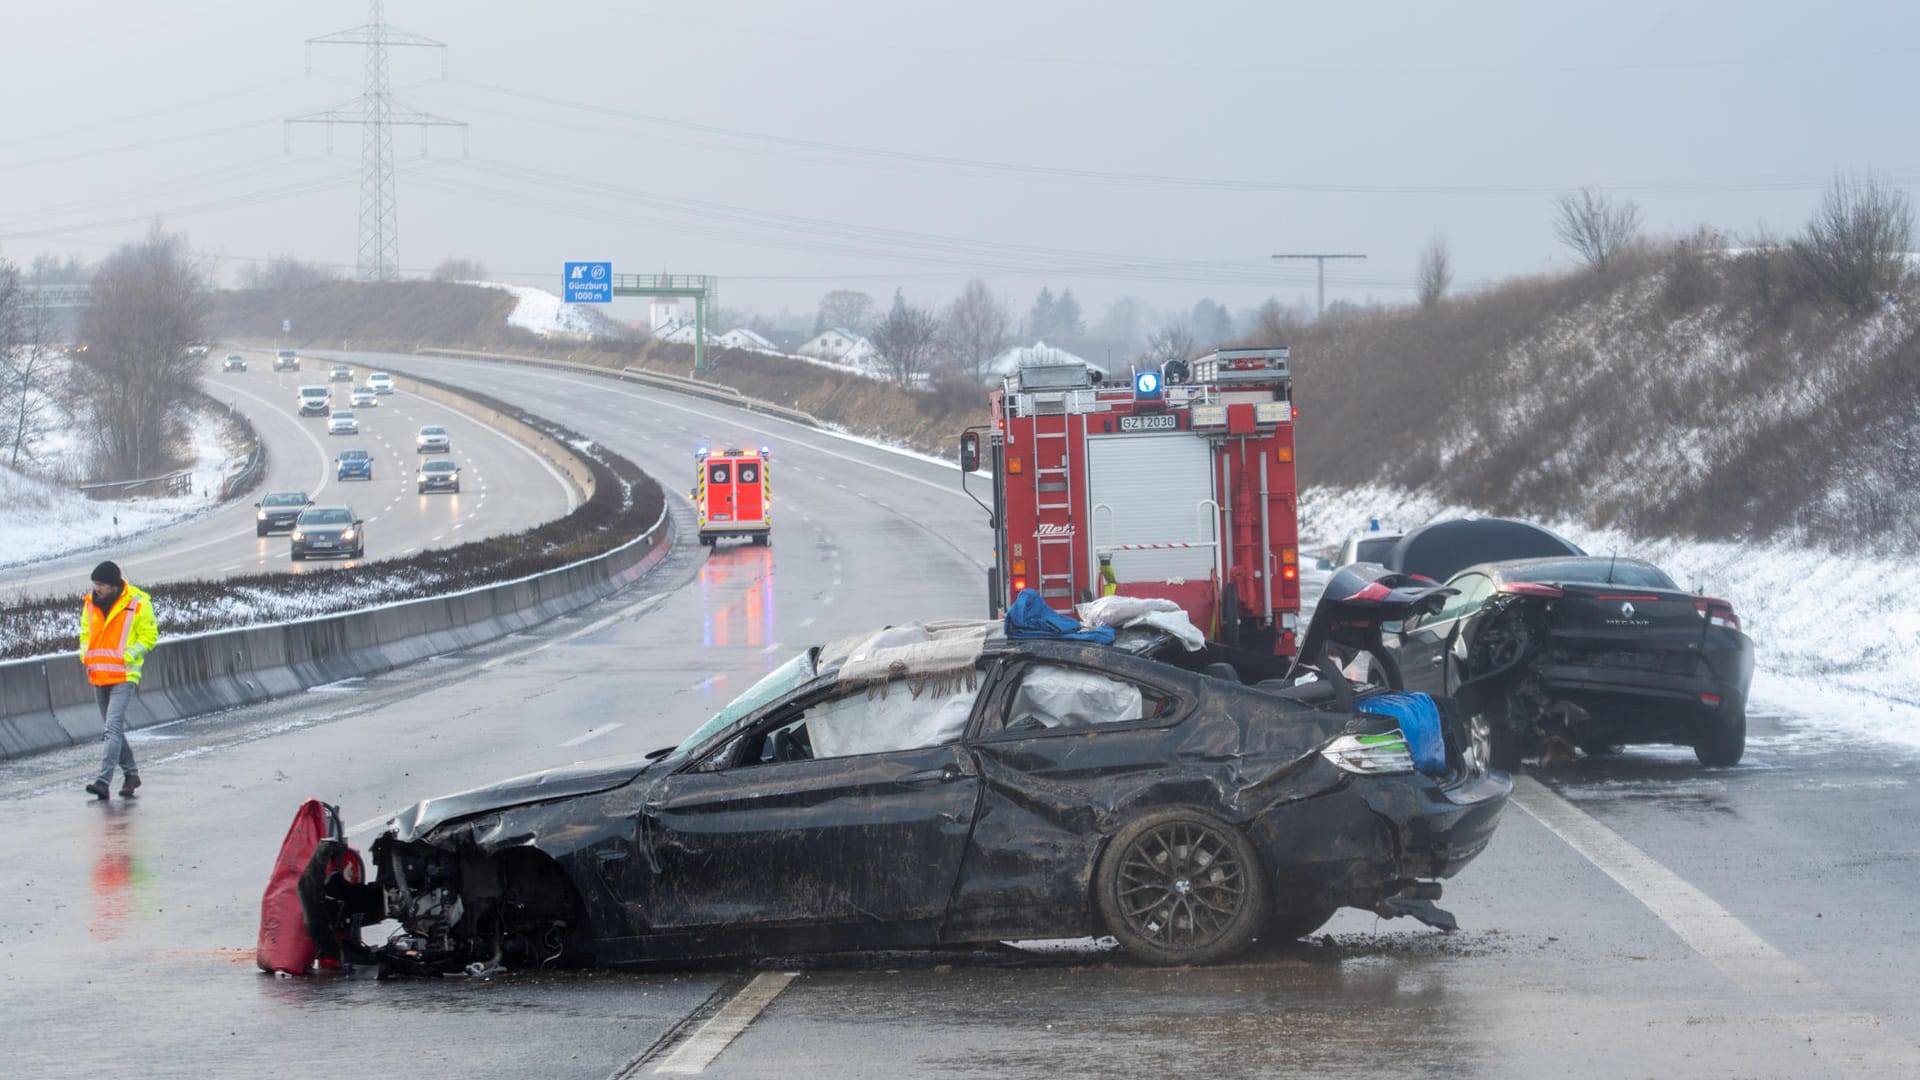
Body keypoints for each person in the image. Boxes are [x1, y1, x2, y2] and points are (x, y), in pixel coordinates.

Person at [79, 561, 158, 800]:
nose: (97, 588)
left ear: (114, 585)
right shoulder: (90, 604)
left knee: (111, 729)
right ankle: (132, 775)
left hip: (124, 676)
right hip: (99, 674)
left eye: (101, 584)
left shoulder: (137, 604)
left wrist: (129, 655)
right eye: (95, 584)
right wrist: (85, 654)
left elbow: (149, 635)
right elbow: (85, 633)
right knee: (113, 730)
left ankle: (103, 781)